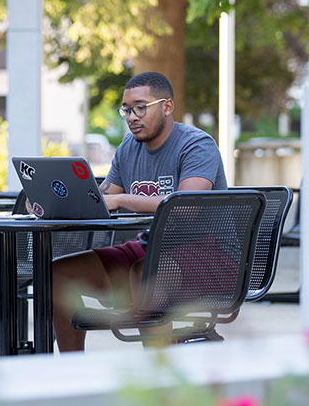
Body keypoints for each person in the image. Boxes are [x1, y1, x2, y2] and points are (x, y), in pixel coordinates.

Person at [51, 71, 227, 352]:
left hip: (209, 254)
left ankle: (158, 382)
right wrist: (52, 201)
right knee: (59, 273)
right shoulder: (128, 149)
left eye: (140, 107)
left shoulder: (197, 145)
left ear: (167, 106)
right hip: (150, 249)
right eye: (127, 109)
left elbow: (188, 206)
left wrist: (123, 199)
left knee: (147, 272)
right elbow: (104, 197)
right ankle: (75, 373)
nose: (132, 116)